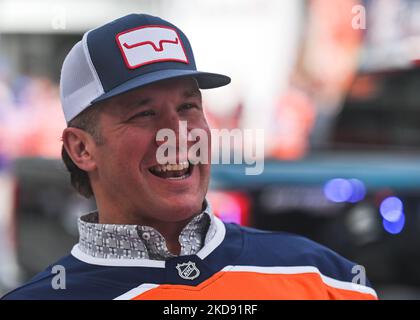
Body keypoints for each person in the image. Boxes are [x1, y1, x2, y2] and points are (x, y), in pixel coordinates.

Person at [2, 13, 377, 300]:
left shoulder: (323, 276)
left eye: (187, 107)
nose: (177, 132)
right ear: (81, 148)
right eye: (144, 113)